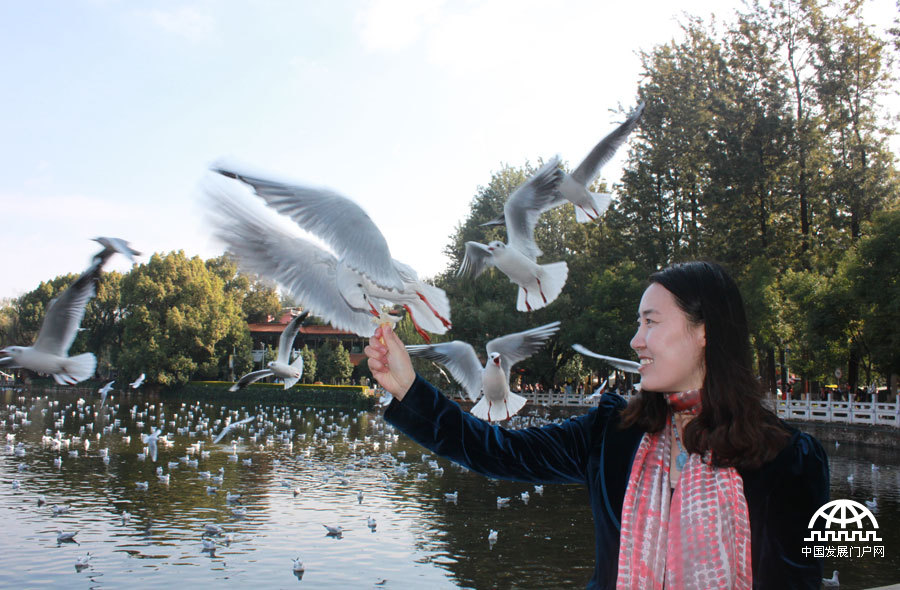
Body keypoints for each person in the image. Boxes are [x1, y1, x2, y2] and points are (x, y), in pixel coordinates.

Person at [365, 261, 829, 590]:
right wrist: (409, 388)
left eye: (650, 323)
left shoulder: (790, 460)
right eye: (637, 324)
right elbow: (495, 449)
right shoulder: (612, 434)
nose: (635, 340)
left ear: (704, 332)